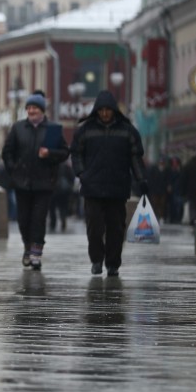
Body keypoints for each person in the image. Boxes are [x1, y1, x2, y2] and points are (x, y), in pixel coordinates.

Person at [70, 90, 148, 277]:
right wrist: (82, 173)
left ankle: (113, 263)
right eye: (101, 110)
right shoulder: (86, 130)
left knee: (116, 228)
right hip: (92, 186)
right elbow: (76, 153)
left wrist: (141, 179)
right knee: (94, 228)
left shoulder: (127, 131)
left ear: (114, 110)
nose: (105, 113)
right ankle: (96, 260)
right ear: (96, 110)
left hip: (117, 186)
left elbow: (135, 157)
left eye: (108, 110)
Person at [2, 92, 69, 270]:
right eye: (29, 108)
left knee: (38, 220)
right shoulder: (18, 128)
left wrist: (50, 154)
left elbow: (64, 153)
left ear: (42, 111)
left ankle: (36, 254)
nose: (31, 111)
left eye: (35, 108)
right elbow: (7, 152)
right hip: (22, 182)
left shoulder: (53, 129)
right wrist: (13, 169)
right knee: (23, 220)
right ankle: (27, 247)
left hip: (44, 183)